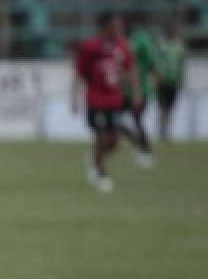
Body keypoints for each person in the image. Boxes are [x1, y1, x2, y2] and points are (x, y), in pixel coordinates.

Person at [73, 12, 137, 193]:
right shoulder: (90, 47)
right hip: (95, 99)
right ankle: (101, 175)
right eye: (116, 26)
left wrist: (135, 91)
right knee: (101, 136)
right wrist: (75, 97)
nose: (119, 29)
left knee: (114, 141)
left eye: (120, 26)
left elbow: (130, 69)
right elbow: (79, 73)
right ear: (106, 27)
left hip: (114, 100)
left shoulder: (123, 47)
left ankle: (94, 158)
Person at [125, 19, 157, 167]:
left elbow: (151, 64)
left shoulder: (140, 40)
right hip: (125, 90)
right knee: (118, 121)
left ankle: (145, 151)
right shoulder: (124, 41)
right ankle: (142, 148)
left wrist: (153, 82)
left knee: (136, 120)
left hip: (138, 89)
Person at [156, 20, 185, 142]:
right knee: (162, 107)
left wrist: (180, 79)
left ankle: (167, 132)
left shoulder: (179, 45)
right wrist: (157, 77)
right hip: (163, 82)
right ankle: (161, 132)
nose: (173, 31)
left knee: (170, 108)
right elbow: (156, 62)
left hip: (174, 82)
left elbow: (181, 64)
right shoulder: (161, 44)